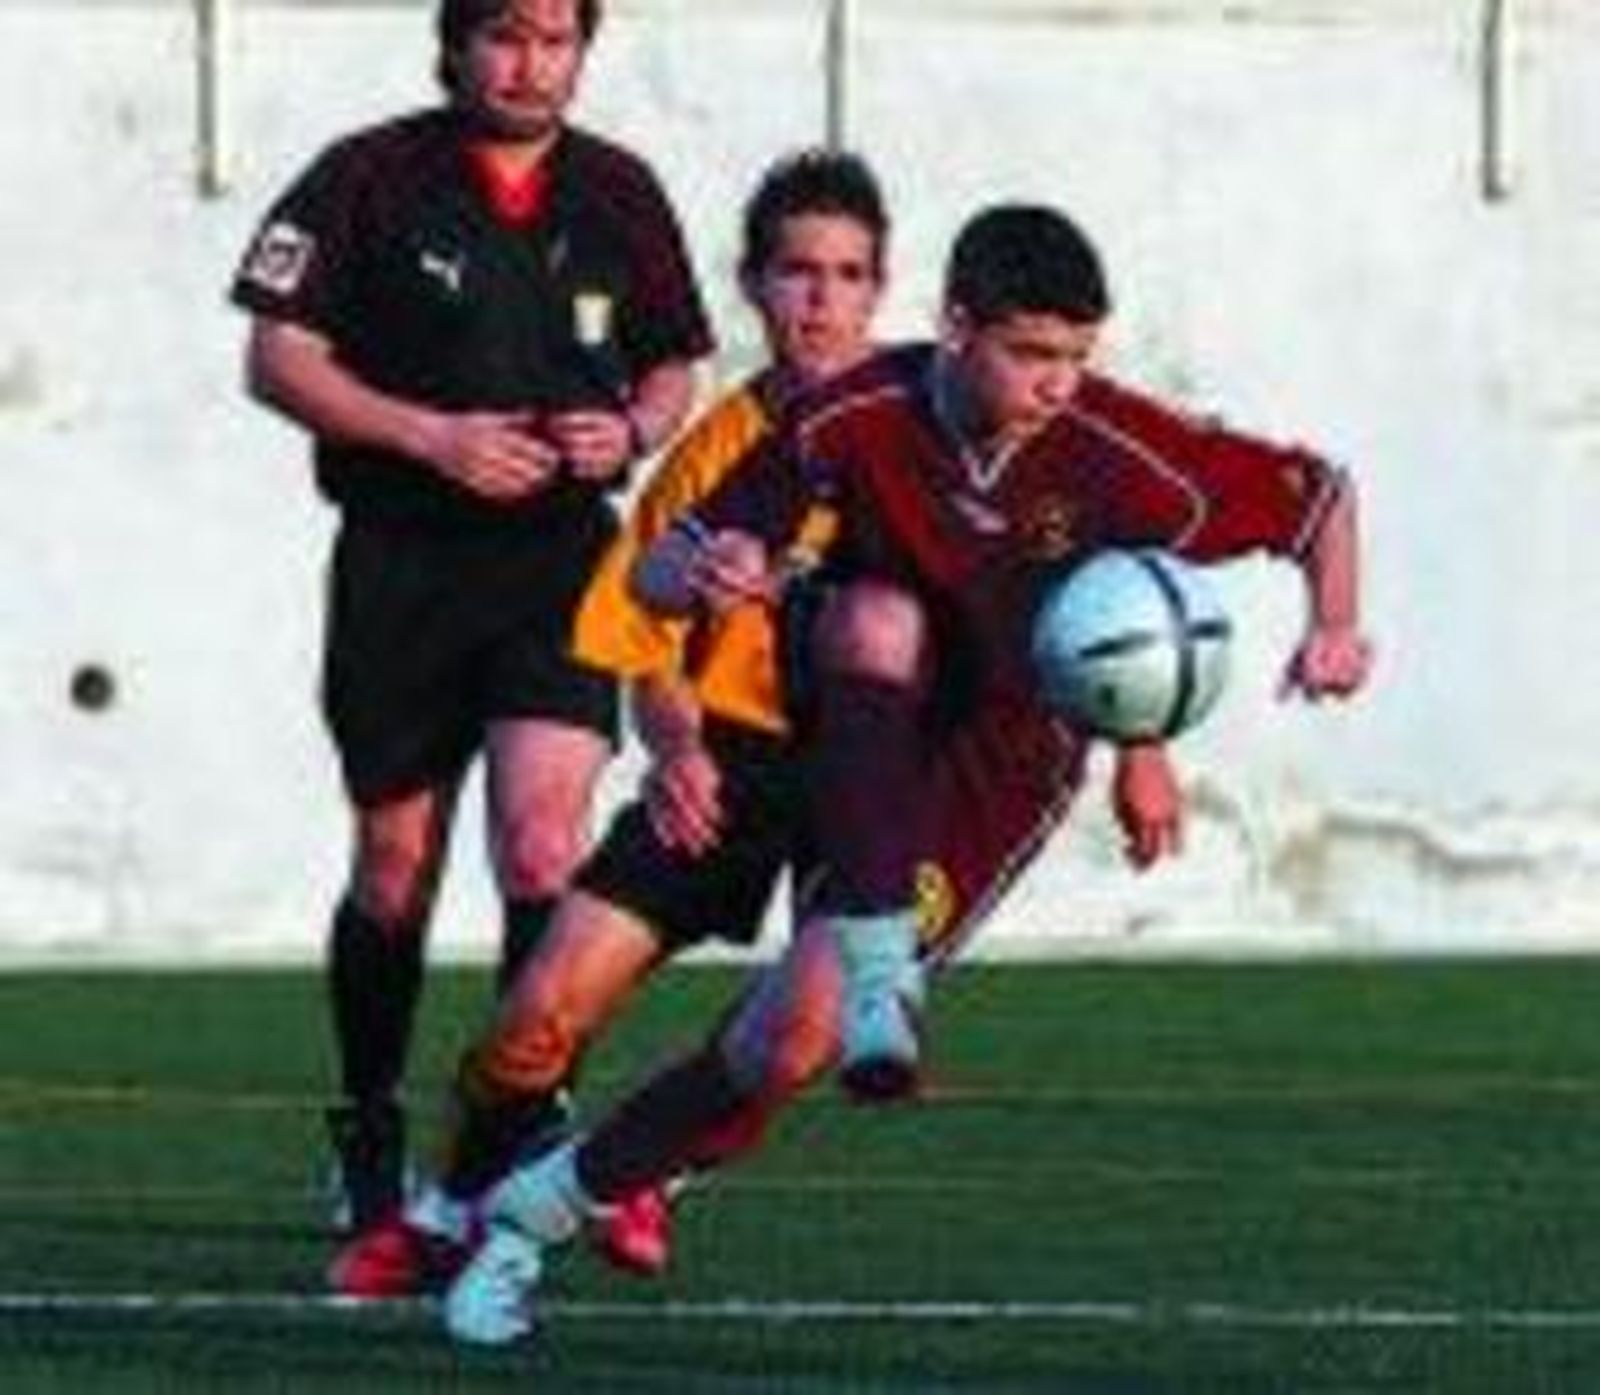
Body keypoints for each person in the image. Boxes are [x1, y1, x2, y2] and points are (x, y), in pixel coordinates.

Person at [441, 200, 1374, 1345]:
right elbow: (664, 576)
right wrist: (713, 565)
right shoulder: (858, 415)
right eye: (1031, 354)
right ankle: (886, 972)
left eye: (1076, 357)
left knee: (781, 1045)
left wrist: (1334, 626)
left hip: (998, 764)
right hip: (850, 715)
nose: (1057, 384)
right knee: (875, 616)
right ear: (955, 326)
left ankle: (529, 1216)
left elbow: (1319, 497)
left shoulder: (1119, 450)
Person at [228, 0, 713, 1237]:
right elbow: (276, 357)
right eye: (505, 35)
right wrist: (426, 435)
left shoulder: (618, 190)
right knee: (394, 870)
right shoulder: (369, 175)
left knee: (545, 847)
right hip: (400, 563)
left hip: (558, 562)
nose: (529, 63)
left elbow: (674, 367)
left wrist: (638, 429)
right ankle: (370, 1119)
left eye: (556, 39)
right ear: (456, 45)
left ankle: (512, 1124)